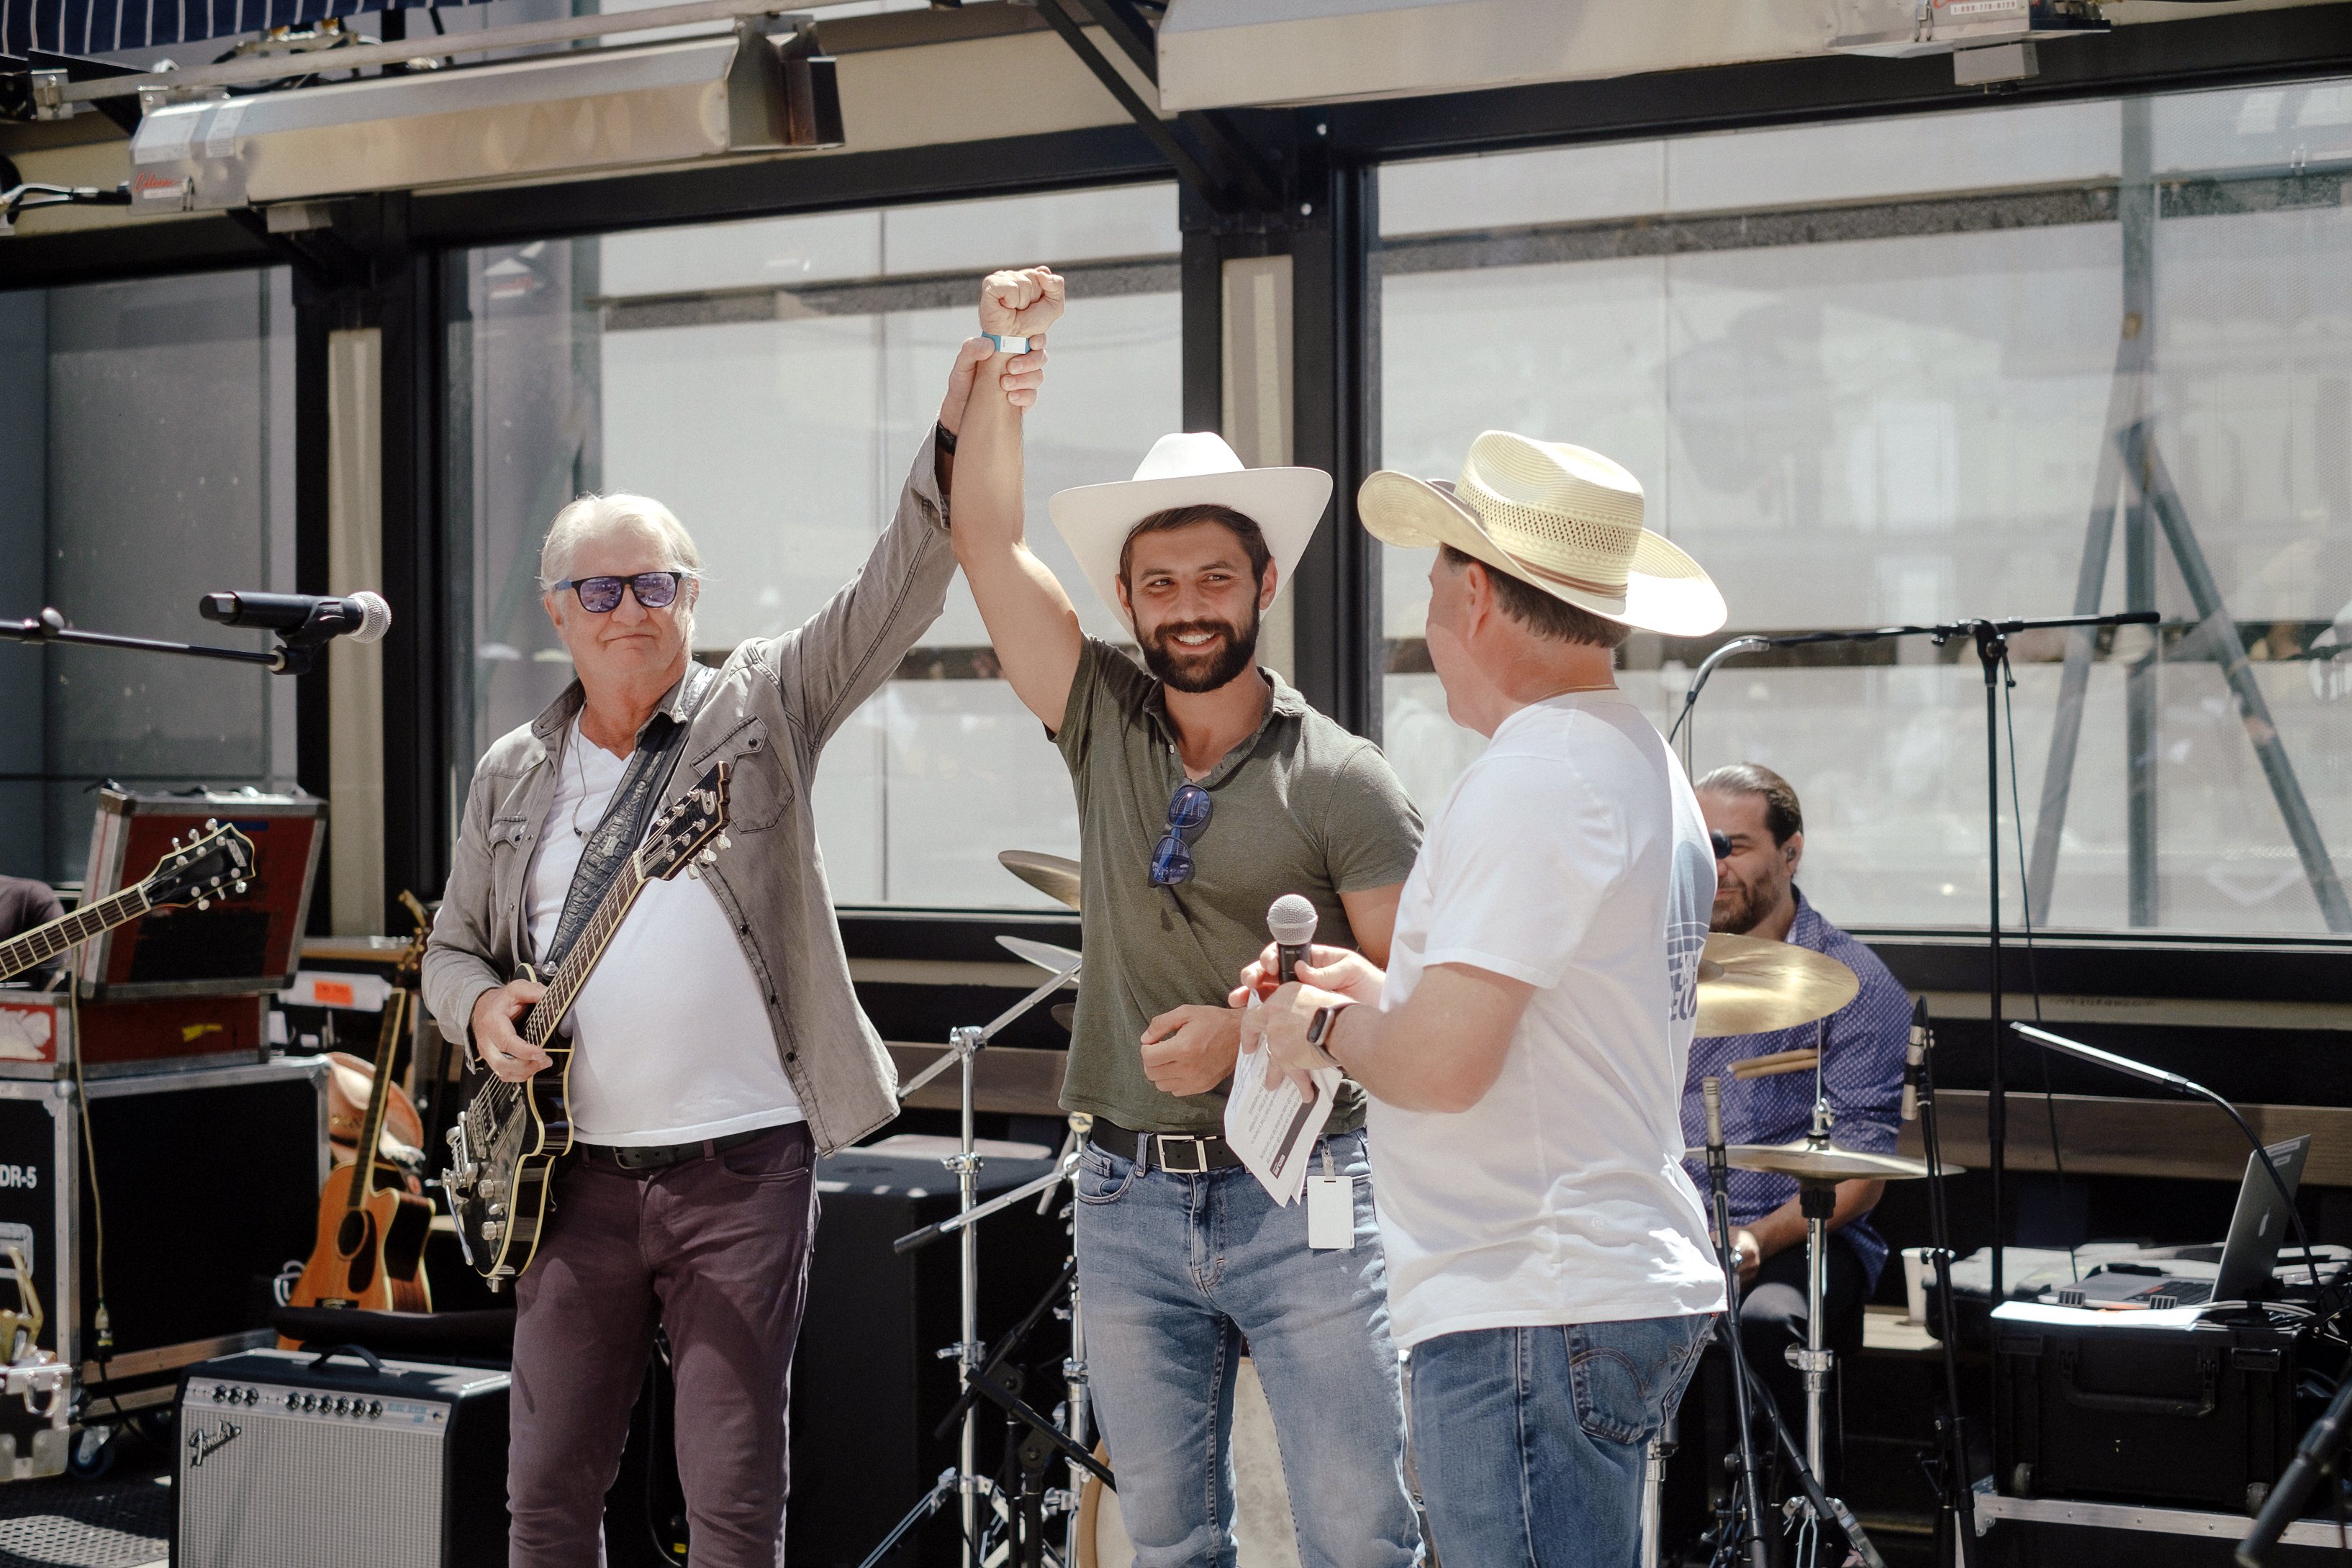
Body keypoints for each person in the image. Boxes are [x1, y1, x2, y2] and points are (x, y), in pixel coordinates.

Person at [420, 280, 1051, 1568]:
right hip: (568, 1180)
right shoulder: (509, 772)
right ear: (556, 611)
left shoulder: (760, 704)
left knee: (733, 1496)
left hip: (740, 1170)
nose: (629, 608)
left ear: (690, 594)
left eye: (654, 583)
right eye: (597, 592)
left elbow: (899, 584)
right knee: (545, 1492)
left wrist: (960, 418)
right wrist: (478, 1008)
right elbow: (449, 951)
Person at [951, 266, 1425, 1567]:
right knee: (1162, 1540)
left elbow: (1416, 1007)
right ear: (1125, 598)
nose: (1188, 605)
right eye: (1158, 585)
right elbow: (984, 544)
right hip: (1122, 1191)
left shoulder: (1342, 777)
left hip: (1309, 1193)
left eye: (1214, 576)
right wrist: (1001, 359)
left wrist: (1246, 1033)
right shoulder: (1098, 716)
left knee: (1356, 1535)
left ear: (1263, 578)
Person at [1241, 430, 1730, 1568]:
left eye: (1430, 581)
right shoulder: (1626, 752)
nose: (1423, 622)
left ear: (1475, 596)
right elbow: (1522, 1017)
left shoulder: (1539, 772)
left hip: (1529, 1296)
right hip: (1575, 1283)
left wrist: (1311, 1020)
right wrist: (1374, 992)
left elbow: (1444, 1069)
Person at [1684, 762, 1911, 1444]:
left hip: (1803, 1231)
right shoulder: (1663, 969)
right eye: (1703, 845)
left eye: (1736, 846)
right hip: (1680, 1226)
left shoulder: (1855, 982)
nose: (1716, 865)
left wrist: (1753, 1239)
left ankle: (1798, 1533)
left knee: (1768, 1323)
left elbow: (1858, 1173)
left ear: (1791, 852)